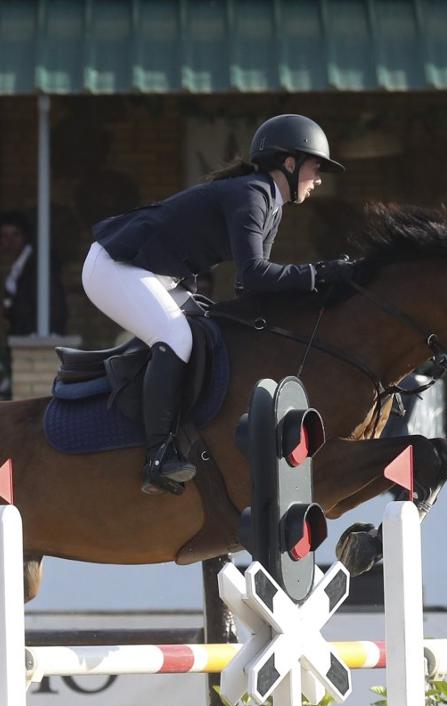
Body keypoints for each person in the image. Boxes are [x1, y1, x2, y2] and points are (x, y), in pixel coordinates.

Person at [84, 114, 357, 496]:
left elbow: (253, 288)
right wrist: (322, 273)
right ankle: (157, 455)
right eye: (316, 167)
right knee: (177, 337)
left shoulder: (270, 203)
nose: (320, 178)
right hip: (115, 265)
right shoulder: (253, 194)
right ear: (289, 163)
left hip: (155, 272)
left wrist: (325, 288)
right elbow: (256, 275)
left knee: (208, 333)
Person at [0, 211, 68, 337]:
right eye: (5, 236)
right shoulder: (19, 267)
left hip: (38, 338)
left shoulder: (38, 265)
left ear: (25, 236)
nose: (10, 242)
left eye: (15, 235)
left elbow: (54, 302)